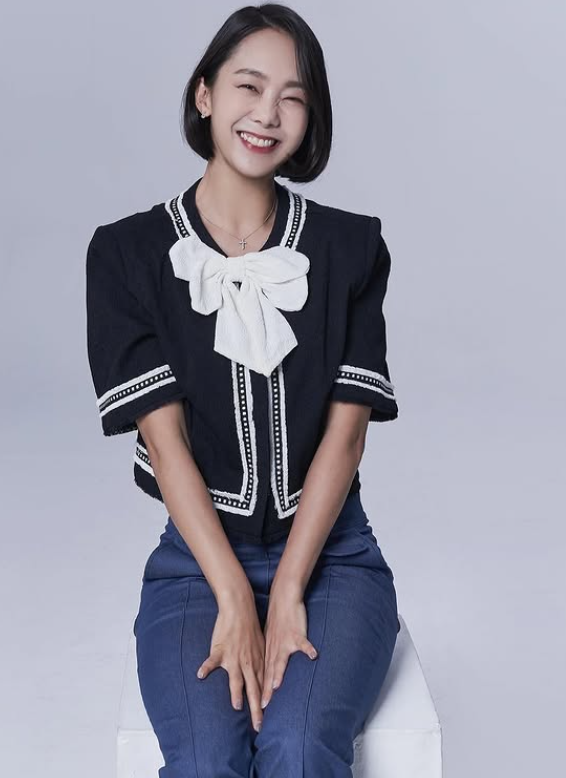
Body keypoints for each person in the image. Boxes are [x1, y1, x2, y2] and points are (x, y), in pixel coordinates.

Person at [86, 4, 401, 776]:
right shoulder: (127, 255)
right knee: (204, 760)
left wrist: (289, 589)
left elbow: (346, 437)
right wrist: (232, 593)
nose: (267, 114)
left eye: (293, 97)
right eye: (248, 86)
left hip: (333, 561)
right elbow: (165, 445)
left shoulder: (351, 248)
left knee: (299, 748)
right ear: (205, 94)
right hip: (195, 564)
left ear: (311, 118)